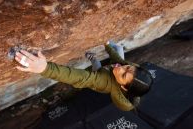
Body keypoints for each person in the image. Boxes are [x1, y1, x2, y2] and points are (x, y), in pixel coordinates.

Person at [14, 41, 152, 111]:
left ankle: (91, 58)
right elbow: (120, 61)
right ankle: (95, 58)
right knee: (119, 50)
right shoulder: (130, 69)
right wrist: (107, 44)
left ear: (123, 87)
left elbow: (79, 77)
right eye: (128, 67)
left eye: (123, 74)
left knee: (96, 65)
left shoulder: (102, 82)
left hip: (99, 76)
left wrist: (45, 68)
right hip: (109, 73)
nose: (120, 68)